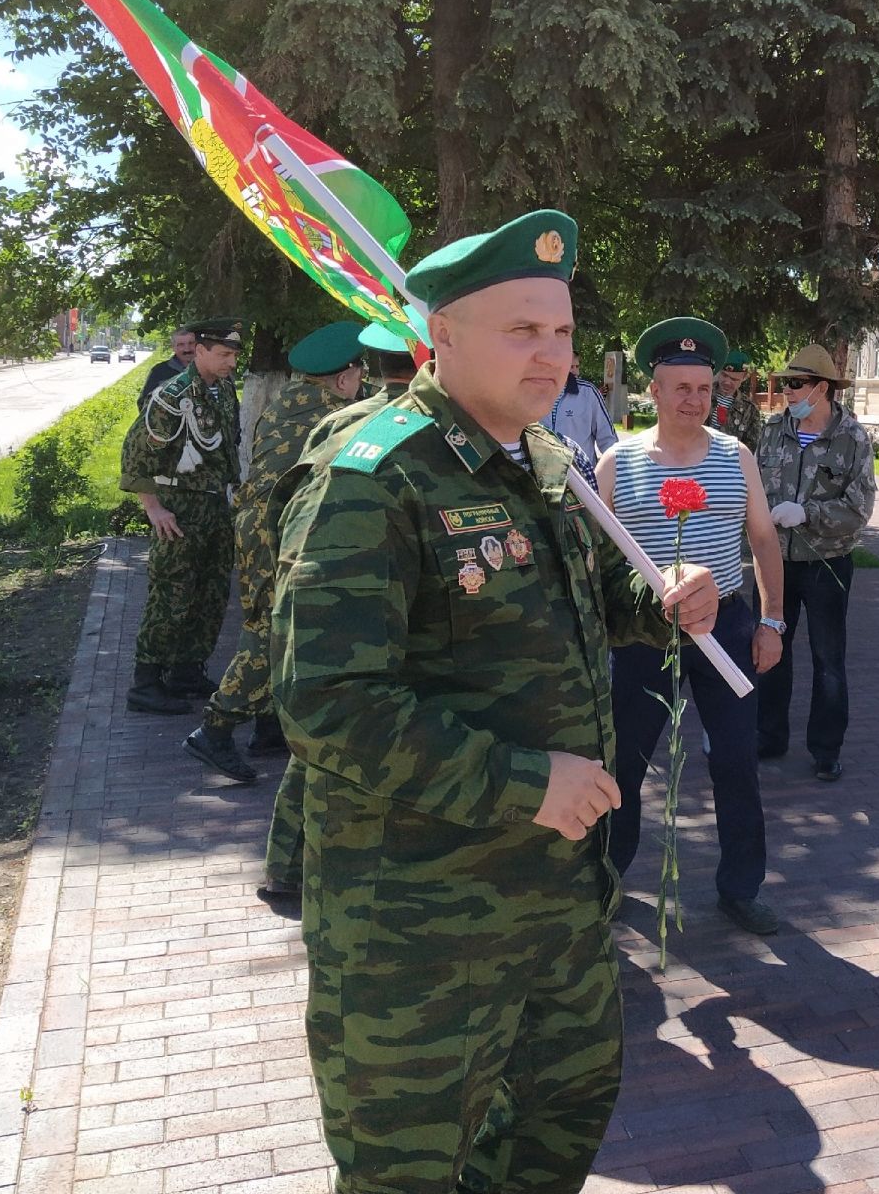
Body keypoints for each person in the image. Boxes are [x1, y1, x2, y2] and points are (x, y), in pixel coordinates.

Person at [271, 210, 719, 1194]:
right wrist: (523, 783)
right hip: (418, 926)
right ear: (445, 336)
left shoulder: (542, 464)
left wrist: (664, 595)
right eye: (523, 331)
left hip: (552, 903)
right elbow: (326, 703)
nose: (552, 355)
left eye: (560, 333)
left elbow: (593, 598)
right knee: (411, 1172)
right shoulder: (375, 478)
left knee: (557, 1128)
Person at [597, 317, 786, 936]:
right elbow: (599, 561)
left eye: (704, 388)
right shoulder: (616, 463)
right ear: (652, 391)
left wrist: (771, 622)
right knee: (623, 764)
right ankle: (607, 880)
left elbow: (762, 541)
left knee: (736, 761)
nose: (695, 400)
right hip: (642, 638)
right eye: (681, 388)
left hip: (727, 631)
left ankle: (740, 888)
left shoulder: (738, 457)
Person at [261, 321, 420, 914]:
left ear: (372, 365)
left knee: (312, 749)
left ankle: (283, 865)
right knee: (338, 747)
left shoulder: (338, 420)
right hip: (361, 609)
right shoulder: (409, 433)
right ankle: (299, 866)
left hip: (301, 588)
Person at [184, 321, 369, 788]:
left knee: (267, 621)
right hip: (275, 532)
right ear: (344, 379)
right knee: (271, 632)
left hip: (253, 526)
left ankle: (270, 727)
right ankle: (215, 728)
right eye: (360, 377)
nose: (362, 385)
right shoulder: (336, 415)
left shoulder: (287, 401)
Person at [754, 343, 877, 781]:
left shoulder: (852, 438)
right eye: (785, 383)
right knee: (770, 651)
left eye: (796, 383)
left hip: (826, 563)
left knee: (828, 659)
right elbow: (752, 490)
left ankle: (826, 750)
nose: (787, 391)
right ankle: (767, 737)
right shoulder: (772, 430)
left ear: (822, 388)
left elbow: (860, 508)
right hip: (774, 564)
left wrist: (808, 514)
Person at [121, 318, 242, 716]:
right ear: (200, 351)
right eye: (223, 354)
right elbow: (136, 454)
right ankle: (147, 682)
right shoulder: (172, 396)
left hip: (213, 506)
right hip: (180, 509)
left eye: (234, 355)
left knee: (211, 594)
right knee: (171, 595)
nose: (229, 363)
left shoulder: (223, 390)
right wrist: (153, 509)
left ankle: (187, 671)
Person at [546, 352, 618, 482]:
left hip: (582, 480)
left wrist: (615, 477)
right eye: (571, 366)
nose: (575, 372)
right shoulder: (535, 393)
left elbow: (608, 440)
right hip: (543, 479)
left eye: (577, 366)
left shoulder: (588, 393)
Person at [709, 349, 764, 450]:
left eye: (734, 379)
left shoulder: (749, 409)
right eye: (724, 375)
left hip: (729, 463)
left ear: (743, 379)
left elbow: (751, 447)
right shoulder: (703, 395)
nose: (727, 382)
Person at [139, 325, 196, 409]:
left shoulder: (210, 369)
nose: (187, 349)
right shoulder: (158, 372)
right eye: (181, 345)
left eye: (191, 343)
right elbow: (144, 404)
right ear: (173, 347)